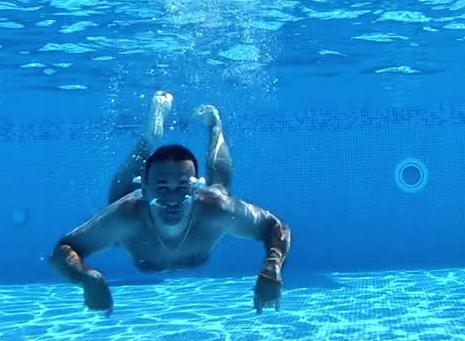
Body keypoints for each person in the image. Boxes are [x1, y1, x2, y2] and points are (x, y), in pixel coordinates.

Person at [49, 91, 290, 315]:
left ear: (195, 189)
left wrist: (273, 264)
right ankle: (151, 135)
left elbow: (276, 227)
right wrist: (87, 279)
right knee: (117, 195)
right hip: (132, 197)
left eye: (182, 188)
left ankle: (215, 124)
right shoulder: (125, 215)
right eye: (162, 188)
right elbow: (63, 250)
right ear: (145, 189)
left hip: (204, 199)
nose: (172, 199)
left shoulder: (216, 210)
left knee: (220, 189)